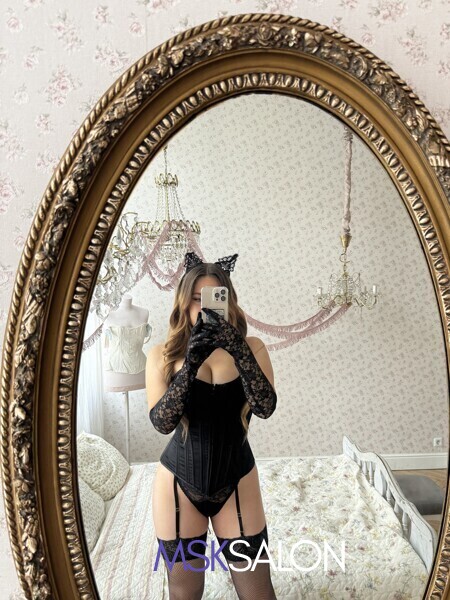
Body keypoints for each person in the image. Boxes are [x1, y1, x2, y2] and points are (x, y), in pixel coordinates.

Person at [146, 251, 278, 600]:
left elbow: (265, 407)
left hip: (238, 481)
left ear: (228, 300)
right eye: (195, 298)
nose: (202, 307)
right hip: (177, 486)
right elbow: (162, 422)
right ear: (183, 302)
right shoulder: (162, 354)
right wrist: (190, 364)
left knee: (258, 592)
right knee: (185, 592)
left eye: (213, 297)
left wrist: (238, 350)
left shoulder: (252, 347)